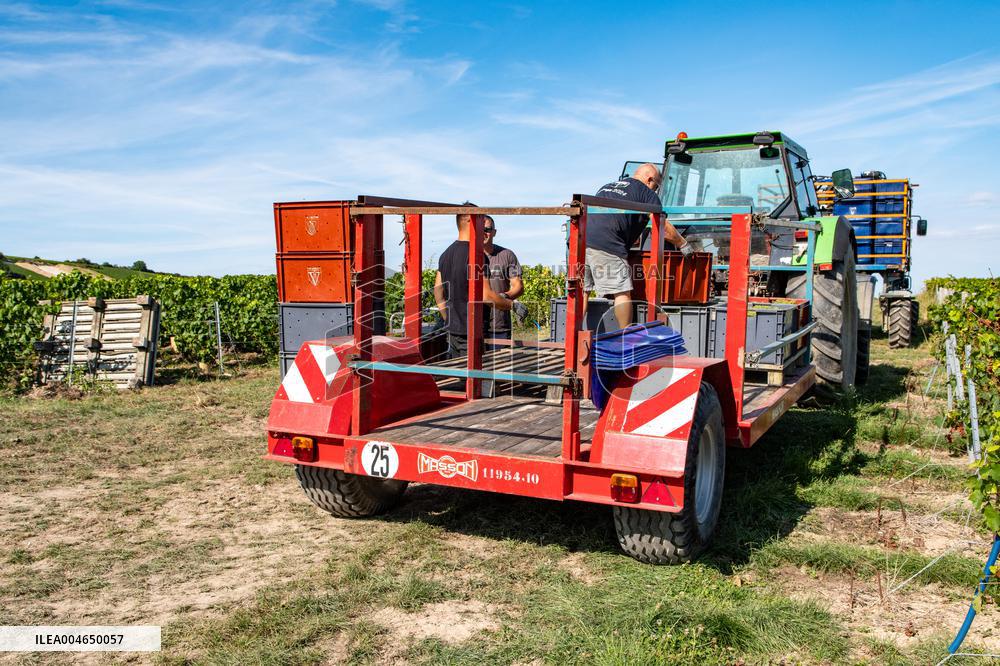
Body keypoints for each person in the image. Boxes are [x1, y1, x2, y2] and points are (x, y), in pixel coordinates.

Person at [584, 163, 690, 329]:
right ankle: (624, 339)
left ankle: (574, 340)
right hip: (607, 243)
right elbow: (662, 227)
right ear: (649, 180)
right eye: (656, 186)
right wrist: (683, 244)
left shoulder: (608, 186)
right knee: (622, 291)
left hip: (580, 239)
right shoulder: (646, 193)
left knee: (581, 291)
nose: (655, 190)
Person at [434, 205, 512, 359]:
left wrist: (451, 321)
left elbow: (439, 295)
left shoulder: (445, 255)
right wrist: (512, 305)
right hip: (472, 335)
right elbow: (487, 296)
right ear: (470, 221)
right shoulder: (477, 255)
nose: (483, 228)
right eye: (480, 221)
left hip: (453, 334)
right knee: (476, 380)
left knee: (460, 379)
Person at [482, 215, 527, 340]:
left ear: (494, 232)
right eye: (480, 229)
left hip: (500, 325)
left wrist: (504, 297)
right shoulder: (468, 255)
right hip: (474, 325)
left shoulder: (507, 255)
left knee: (501, 360)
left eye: (487, 230)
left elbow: (518, 286)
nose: (484, 233)